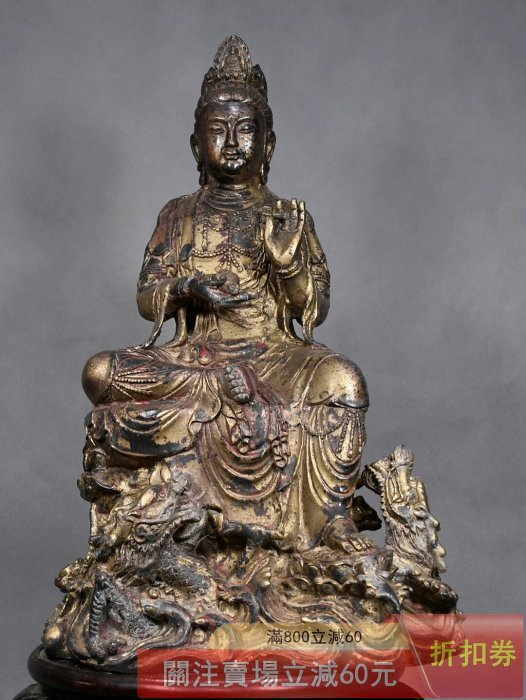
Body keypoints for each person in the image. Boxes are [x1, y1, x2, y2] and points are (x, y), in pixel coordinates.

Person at [81, 36, 371, 554]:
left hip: (272, 357)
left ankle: (328, 519)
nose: (232, 142)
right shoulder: (178, 214)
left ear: (269, 144)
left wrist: (288, 264)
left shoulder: (287, 215)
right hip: (196, 360)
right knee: (101, 372)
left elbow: (315, 308)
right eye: (217, 130)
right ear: (197, 146)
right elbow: (147, 296)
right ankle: (215, 411)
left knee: (343, 381)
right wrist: (186, 287)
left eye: (245, 129)